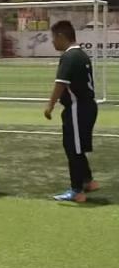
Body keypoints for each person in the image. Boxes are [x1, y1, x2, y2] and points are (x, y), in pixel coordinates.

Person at [44, 20, 99, 203]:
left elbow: (60, 83)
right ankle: (88, 181)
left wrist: (50, 106)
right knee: (77, 147)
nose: (53, 42)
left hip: (77, 108)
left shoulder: (69, 56)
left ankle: (77, 190)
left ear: (61, 36)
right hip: (87, 107)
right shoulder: (81, 54)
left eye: (53, 37)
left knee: (73, 148)